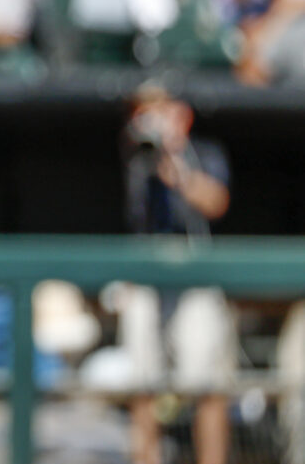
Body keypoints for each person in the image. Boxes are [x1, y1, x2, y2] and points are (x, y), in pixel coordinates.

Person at [117, 83, 234, 464]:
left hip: (194, 268)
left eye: (158, 110)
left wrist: (179, 170)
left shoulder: (204, 152)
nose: (147, 118)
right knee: (144, 385)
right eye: (142, 111)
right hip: (148, 271)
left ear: (182, 114)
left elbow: (216, 202)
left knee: (208, 384)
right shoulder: (139, 159)